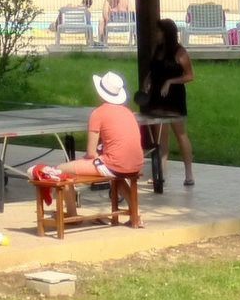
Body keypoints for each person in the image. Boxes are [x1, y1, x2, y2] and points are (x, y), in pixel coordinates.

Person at [60, 71, 147, 181]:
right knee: (116, 175)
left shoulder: (98, 113)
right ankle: (132, 199)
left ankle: (71, 198)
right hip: (137, 165)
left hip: (115, 167)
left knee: (61, 169)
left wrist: (88, 160)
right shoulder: (128, 112)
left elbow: (91, 153)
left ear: (99, 93)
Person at [143, 16, 196, 186]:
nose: (156, 34)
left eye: (159, 31)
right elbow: (154, 69)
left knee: (180, 135)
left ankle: (189, 173)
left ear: (166, 33)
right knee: (160, 137)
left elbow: (189, 76)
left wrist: (170, 81)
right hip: (157, 98)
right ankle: (161, 173)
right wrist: (148, 80)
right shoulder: (158, 50)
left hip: (174, 99)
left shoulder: (180, 52)